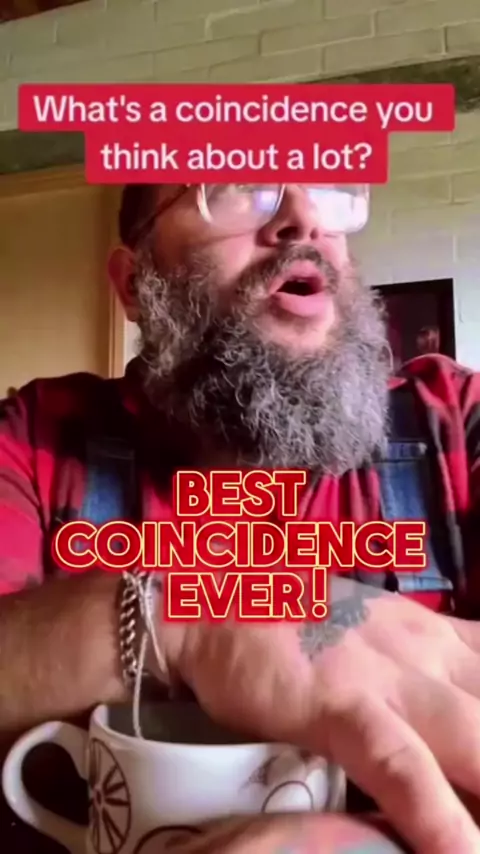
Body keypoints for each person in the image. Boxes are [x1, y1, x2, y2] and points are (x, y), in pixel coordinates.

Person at [2, 182, 480, 854]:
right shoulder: (36, 438)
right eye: (236, 187)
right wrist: (185, 623)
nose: (303, 218)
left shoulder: (455, 420)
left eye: (329, 190)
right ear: (135, 282)